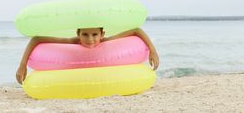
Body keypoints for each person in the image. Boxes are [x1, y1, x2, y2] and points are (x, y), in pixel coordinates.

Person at [15, 27, 159, 84]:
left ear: (102, 34)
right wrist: (22, 65)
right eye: (85, 34)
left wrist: (153, 51)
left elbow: (136, 31)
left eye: (95, 34)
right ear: (78, 34)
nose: (90, 39)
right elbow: (36, 39)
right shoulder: (72, 42)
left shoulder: (106, 41)